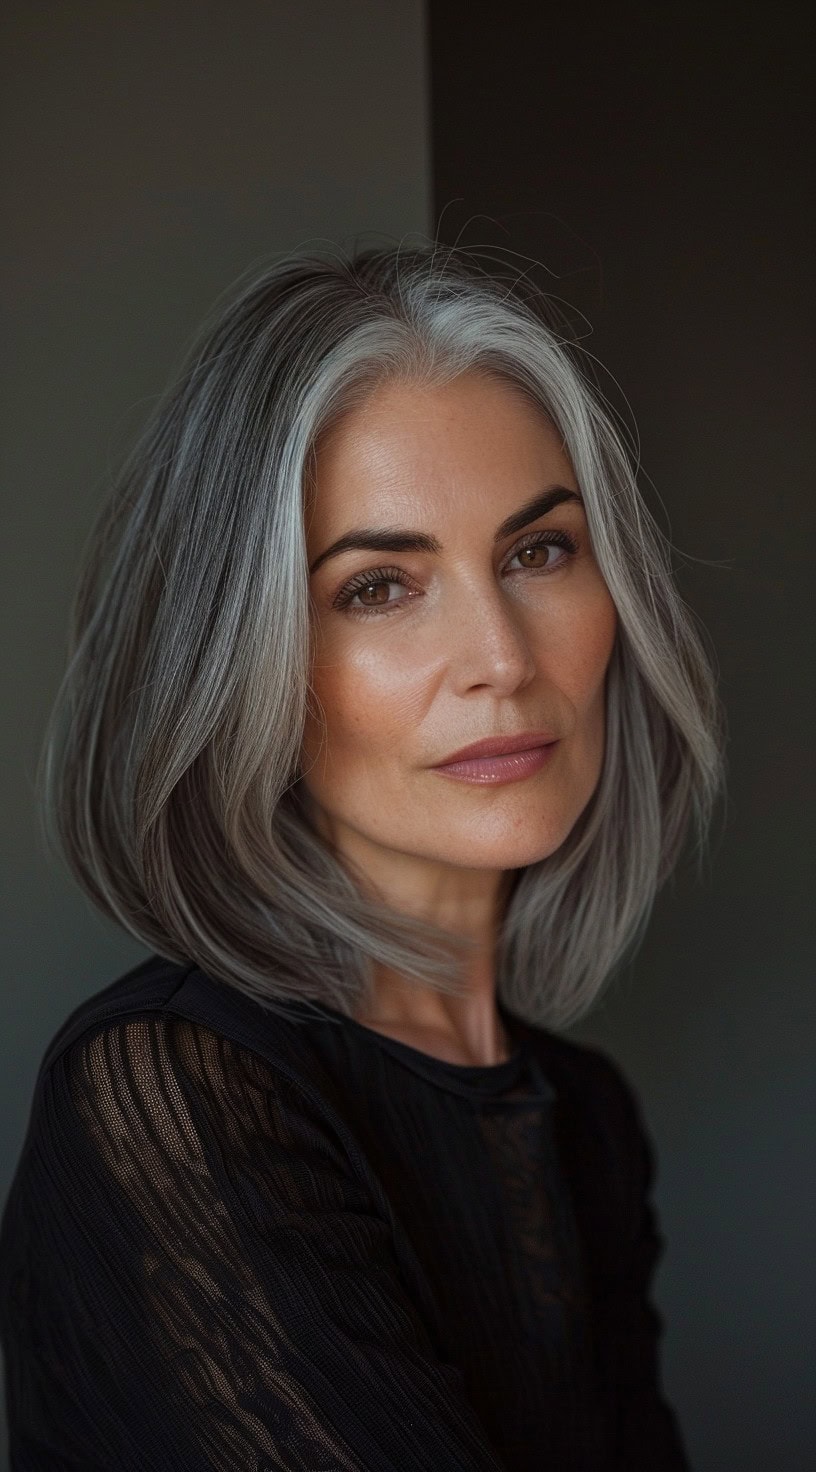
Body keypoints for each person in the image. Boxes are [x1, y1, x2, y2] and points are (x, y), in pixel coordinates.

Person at [0, 240, 724, 1469]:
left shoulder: (586, 1118)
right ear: (243, 662)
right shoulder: (174, 1090)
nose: (500, 653)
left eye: (538, 551)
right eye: (380, 585)